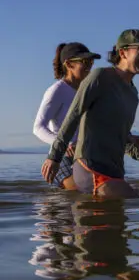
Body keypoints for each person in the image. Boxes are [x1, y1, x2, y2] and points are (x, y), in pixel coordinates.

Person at [41, 29, 139, 198]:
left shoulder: (133, 94)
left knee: (129, 214)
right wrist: (54, 157)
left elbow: (121, 135)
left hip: (115, 171)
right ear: (123, 52)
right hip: (91, 168)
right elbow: (73, 116)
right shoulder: (99, 77)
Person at [33, 42, 101, 190]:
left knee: (100, 192)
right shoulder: (56, 90)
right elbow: (38, 127)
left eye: (91, 62)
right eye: (85, 62)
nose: (90, 66)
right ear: (69, 64)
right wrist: (65, 144)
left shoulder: (87, 91)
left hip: (84, 155)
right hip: (62, 156)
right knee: (84, 192)